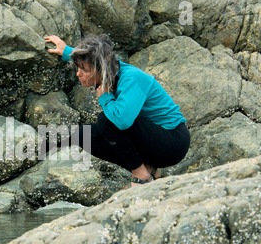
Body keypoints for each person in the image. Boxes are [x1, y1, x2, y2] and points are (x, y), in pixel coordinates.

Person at [44, 34, 190, 187]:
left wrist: (105, 98)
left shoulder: (131, 78)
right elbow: (94, 58)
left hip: (172, 143)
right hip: (152, 141)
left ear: (101, 69)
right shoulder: (108, 68)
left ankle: (141, 175)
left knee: (107, 120)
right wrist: (66, 50)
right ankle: (150, 170)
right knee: (84, 135)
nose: (78, 74)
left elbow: (123, 121)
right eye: (78, 68)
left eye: (84, 70)